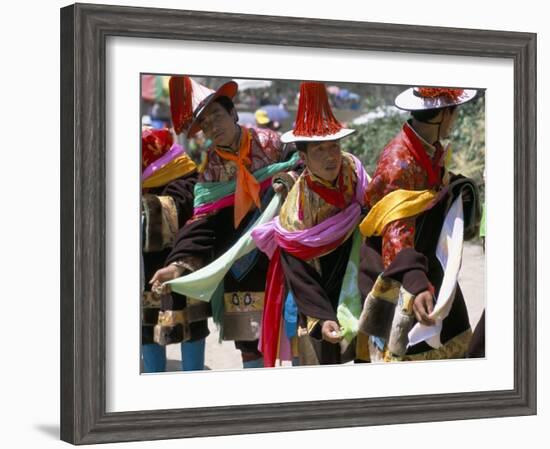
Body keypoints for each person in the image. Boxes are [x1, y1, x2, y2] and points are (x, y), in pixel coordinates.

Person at [150, 76, 298, 369]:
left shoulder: (270, 142)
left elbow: (299, 166)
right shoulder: (211, 168)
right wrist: (178, 264)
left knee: (293, 328)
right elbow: (201, 220)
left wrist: (286, 179)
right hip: (239, 263)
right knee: (248, 343)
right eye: (204, 124)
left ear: (233, 113)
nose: (212, 127)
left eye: (217, 116)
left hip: (281, 256)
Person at [357, 86, 481, 362]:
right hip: (401, 269)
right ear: (444, 116)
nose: (456, 119)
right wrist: (416, 283)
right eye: (455, 113)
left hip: (426, 264)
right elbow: (396, 231)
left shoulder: (429, 149)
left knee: (455, 341)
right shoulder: (399, 161)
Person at [252, 82, 370, 366]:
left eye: (335, 146)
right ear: (303, 158)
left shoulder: (353, 169)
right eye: (319, 151)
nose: (331, 156)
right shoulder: (296, 211)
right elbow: (298, 269)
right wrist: (323, 315)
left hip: (356, 280)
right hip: (315, 292)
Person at [140, 127, 204, 372]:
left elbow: (178, 207)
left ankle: (193, 380)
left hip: (183, 265)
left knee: (192, 327)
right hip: (149, 272)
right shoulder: (146, 179)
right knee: (148, 327)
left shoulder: (183, 175)